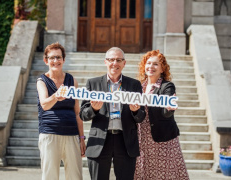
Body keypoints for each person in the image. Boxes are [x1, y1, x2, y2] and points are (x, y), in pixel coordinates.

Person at [79, 47, 146, 180]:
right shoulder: (93, 83)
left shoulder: (134, 84)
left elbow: (141, 116)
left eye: (118, 60)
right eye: (111, 60)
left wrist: (135, 111)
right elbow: (83, 114)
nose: (114, 63)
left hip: (125, 141)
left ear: (124, 63)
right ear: (105, 62)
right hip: (100, 141)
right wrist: (94, 109)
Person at [134, 50, 189, 180]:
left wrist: (169, 109)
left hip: (162, 139)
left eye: (155, 64)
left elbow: (166, 110)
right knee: (143, 173)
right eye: (148, 63)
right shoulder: (139, 86)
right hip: (141, 138)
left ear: (162, 69)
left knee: (164, 174)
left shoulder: (167, 86)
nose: (151, 67)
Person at [36, 42, 85, 180]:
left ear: (63, 59)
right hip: (49, 133)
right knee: (50, 176)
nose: (55, 61)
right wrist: (56, 96)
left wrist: (81, 138)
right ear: (46, 60)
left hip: (71, 134)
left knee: (75, 176)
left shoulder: (72, 81)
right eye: (52, 58)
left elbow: (77, 113)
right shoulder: (42, 81)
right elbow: (44, 104)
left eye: (58, 57)